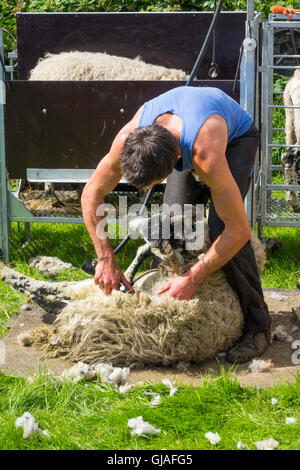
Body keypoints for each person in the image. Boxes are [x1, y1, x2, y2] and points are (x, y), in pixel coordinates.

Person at [81, 86, 271, 363]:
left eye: (152, 184)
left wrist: (193, 276)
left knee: (221, 226)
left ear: (174, 164)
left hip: (235, 138)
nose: (149, 188)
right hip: (186, 132)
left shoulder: (204, 152)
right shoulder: (127, 139)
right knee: (175, 222)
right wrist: (105, 258)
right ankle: (165, 303)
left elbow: (239, 230)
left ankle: (258, 324)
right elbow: (91, 193)